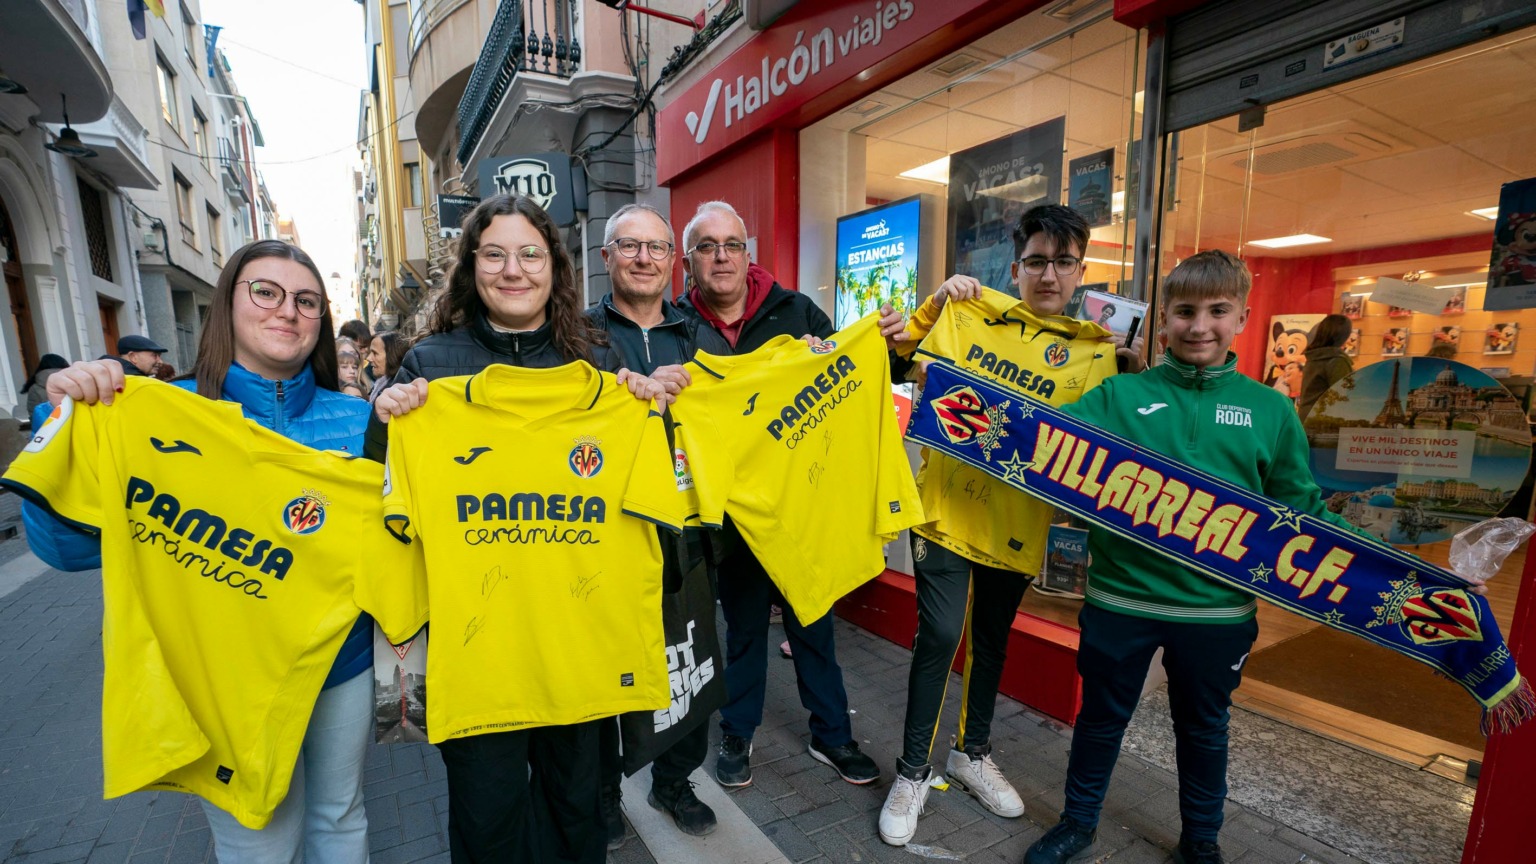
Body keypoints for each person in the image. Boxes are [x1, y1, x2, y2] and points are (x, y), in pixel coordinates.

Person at [26, 239, 376, 863]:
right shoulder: (160, 412)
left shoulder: (359, 420)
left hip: (337, 665)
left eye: (306, 301)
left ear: (321, 320)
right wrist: (65, 423)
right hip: (218, 674)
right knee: (256, 835)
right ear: (227, 306)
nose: (286, 311)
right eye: (264, 292)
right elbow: (64, 548)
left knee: (340, 814)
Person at [1025, 251, 1362, 864]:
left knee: (1204, 732)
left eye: (1217, 310)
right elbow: (1036, 439)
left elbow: (1300, 507)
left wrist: (1392, 560)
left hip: (1218, 613)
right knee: (1101, 721)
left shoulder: (1271, 410)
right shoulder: (1119, 396)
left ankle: (1201, 841)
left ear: (1243, 318)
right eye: (1184, 311)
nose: (1198, 325)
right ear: (1162, 322)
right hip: (1118, 602)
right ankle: (1078, 823)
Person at [367, 194, 665, 864]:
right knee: (487, 827)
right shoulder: (430, 365)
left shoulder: (595, 358)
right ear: (471, 267)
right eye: (494, 254)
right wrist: (384, 421)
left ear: (555, 269)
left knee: (579, 817)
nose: (514, 269)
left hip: (577, 653)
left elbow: (653, 490)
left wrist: (648, 406)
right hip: (481, 661)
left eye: (530, 254)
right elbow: (387, 507)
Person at [880, 204, 1138, 847]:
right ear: (1015, 266)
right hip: (946, 507)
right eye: (1036, 261)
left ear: (1080, 271)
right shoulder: (972, 315)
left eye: (1063, 262)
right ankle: (913, 770)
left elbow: (1114, 441)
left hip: (1021, 523)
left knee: (992, 640)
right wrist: (937, 302)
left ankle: (971, 753)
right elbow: (895, 357)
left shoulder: (1097, 354)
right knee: (940, 633)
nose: (1049, 275)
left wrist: (1131, 376)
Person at [670, 200, 907, 791]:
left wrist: (887, 344)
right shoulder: (676, 328)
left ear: (749, 253)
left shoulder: (797, 310)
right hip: (731, 509)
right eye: (707, 246)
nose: (721, 256)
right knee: (744, 626)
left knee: (813, 620)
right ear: (689, 260)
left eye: (733, 244)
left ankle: (833, 735)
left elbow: (846, 381)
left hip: (799, 502)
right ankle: (738, 730)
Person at [584, 203, 731, 847]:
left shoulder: (698, 332)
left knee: (690, 661)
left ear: (674, 261)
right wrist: (621, 391)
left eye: (658, 248)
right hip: (607, 530)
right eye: (629, 246)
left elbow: (740, 400)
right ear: (607, 256)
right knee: (606, 667)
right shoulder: (576, 335)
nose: (645, 258)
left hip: (688, 528)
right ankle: (604, 792)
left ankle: (675, 782)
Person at [1296, 313, 1354, 419]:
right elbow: (1344, 397)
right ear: (1343, 336)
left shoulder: (1314, 356)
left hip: (1306, 418)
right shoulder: (1337, 360)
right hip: (1324, 421)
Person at [365, 331, 407, 404]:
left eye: (375, 353)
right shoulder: (380, 385)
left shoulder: (399, 392)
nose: (368, 358)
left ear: (392, 356)